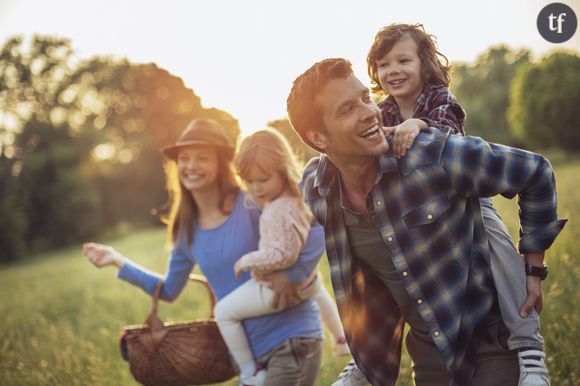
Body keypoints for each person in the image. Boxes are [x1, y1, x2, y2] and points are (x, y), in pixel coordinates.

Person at [286, 58, 566, 386]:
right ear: (318, 137)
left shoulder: (430, 156)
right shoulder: (318, 190)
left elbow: (535, 172)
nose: (369, 112)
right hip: (428, 358)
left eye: (365, 98)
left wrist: (533, 270)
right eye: (347, 109)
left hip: (487, 346)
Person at [83, 119, 325, 386]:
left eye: (202, 158)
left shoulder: (250, 201)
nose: (190, 166)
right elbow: (168, 291)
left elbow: (317, 229)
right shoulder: (186, 232)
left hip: (291, 338)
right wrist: (118, 262)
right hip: (248, 359)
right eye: (184, 158)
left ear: (222, 164)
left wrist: (293, 273)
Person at [213, 129, 349, 384]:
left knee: (224, 312)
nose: (255, 188)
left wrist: (247, 260)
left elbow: (283, 255)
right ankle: (340, 337)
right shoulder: (297, 199)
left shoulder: (277, 209)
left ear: (283, 170)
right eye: (249, 181)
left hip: (274, 288)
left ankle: (247, 370)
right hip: (306, 285)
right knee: (317, 287)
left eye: (262, 179)